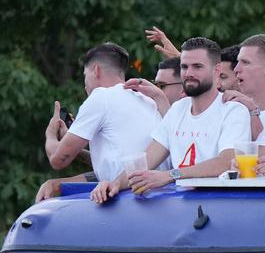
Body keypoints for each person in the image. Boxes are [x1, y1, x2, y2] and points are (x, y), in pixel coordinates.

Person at [91, 37, 251, 202]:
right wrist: (114, 184)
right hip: (180, 207)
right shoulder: (177, 109)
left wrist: (171, 175)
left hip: (220, 205)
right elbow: (148, 158)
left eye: (197, 67)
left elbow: (226, 162)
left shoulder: (233, 110)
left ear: (216, 70)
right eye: (184, 67)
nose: (189, 73)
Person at [36, 43, 160, 201]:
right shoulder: (147, 101)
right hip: (154, 194)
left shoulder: (101, 96)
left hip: (128, 197)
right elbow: (119, 163)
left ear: (96, 70)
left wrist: (51, 134)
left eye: (85, 75)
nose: (85, 84)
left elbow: (58, 160)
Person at [229, 34, 265, 139]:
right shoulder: (234, 110)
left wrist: (253, 112)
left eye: (245, 62)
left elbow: (259, 152)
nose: (236, 69)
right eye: (238, 62)